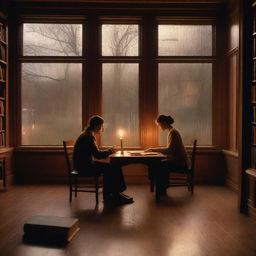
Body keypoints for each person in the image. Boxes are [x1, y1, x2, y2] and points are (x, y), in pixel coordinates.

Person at [73, 115, 134, 205]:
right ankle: (115, 195)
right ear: (96, 126)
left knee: (111, 167)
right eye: (101, 126)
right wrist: (110, 151)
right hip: (85, 167)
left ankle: (112, 194)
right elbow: (98, 155)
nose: (102, 128)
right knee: (113, 167)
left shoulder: (86, 134)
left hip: (82, 165)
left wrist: (108, 150)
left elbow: (96, 153)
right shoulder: (89, 137)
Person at [146, 114, 190, 195]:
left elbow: (169, 150)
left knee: (158, 165)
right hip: (178, 160)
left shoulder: (173, 133)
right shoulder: (172, 131)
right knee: (157, 164)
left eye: (159, 124)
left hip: (180, 163)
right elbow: (170, 150)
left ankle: (161, 187)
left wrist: (153, 149)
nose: (159, 126)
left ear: (164, 123)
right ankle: (161, 186)